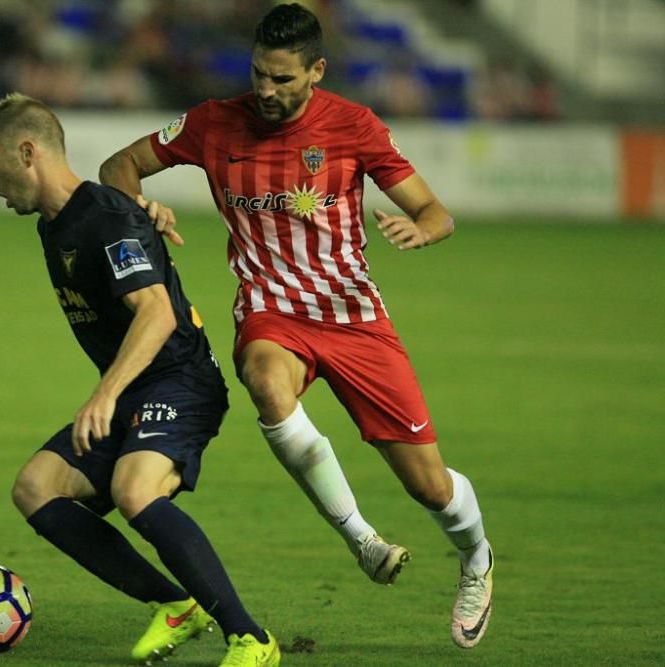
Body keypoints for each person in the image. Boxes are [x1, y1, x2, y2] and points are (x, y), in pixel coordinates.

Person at [100, 2, 493, 650]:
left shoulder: (354, 126)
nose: (266, 90)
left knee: (430, 484)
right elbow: (119, 167)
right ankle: (361, 538)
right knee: (263, 379)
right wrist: (141, 208)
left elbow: (434, 209)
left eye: (282, 79)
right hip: (271, 308)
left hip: (352, 315)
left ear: (317, 70)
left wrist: (420, 228)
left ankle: (477, 557)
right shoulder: (210, 124)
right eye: (259, 74)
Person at [0, 93, 280, 667]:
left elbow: (157, 313)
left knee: (134, 490)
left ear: (27, 151)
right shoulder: (59, 223)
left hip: (181, 381)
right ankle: (175, 605)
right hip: (137, 387)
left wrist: (104, 394)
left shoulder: (106, 218)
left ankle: (251, 638)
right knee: (36, 487)